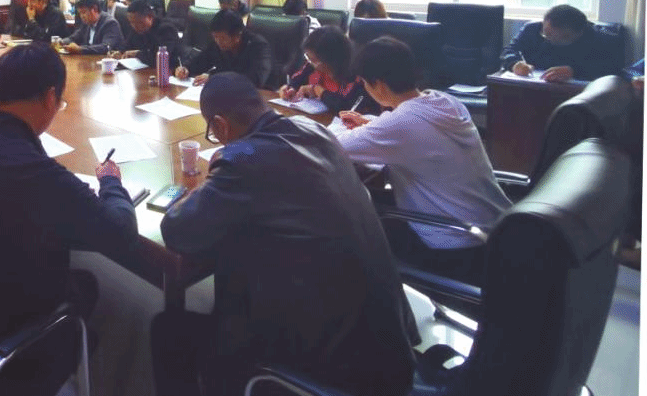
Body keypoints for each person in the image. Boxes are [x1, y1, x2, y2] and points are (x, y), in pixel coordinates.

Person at [151, 72, 416, 396]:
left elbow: (177, 231)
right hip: (391, 347)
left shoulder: (243, 160)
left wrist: (210, 179)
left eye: (213, 132)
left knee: (168, 331)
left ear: (220, 125)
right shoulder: (316, 130)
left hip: (341, 373)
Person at [0, 43, 138, 389]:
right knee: (87, 286)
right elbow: (121, 232)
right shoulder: (32, 171)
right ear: (50, 97)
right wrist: (110, 181)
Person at [333, 37, 509, 285]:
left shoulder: (401, 124)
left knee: (347, 218)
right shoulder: (445, 101)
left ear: (378, 84)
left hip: (453, 245)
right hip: (494, 231)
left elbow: (333, 145)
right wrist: (372, 124)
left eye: (364, 83)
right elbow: (414, 133)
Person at [501, 4, 622, 83]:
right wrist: (514, 63)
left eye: (555, 37)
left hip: (575, 95)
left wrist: (574, 71)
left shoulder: (600, 38)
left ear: (578, 33)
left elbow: (612, 70)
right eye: (546, 33)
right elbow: (509, 50)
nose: (547, 39)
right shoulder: (532, 29)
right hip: (533, 87)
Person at [279, 26, 379, 113]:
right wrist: (290, 88)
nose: (310, 62)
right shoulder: (312, 65)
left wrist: (319, 91)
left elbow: (348, 106)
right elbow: (297, 80)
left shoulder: (357, 75)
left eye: (313, 60)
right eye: (308, 58)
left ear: (331, 60)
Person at [175, 9, 271, 88]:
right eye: (215, 37)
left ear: (237, 36)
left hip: (262, 96)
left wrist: (215, 78)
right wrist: (186, 69)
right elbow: (201, 61)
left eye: (222, 39)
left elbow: (254, 80)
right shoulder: (218, 42)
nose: (218, 41)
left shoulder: (258, 46)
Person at [111, 0, 183, 69]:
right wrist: (120, 52)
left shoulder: (166, 29)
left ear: (150, 17)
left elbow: (158, 58)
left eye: (139, 22)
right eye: (131, 22)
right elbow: (127, 45)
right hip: (142, 71)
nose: (134, 26)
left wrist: (137, 54)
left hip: (167, 71)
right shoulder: (136, 28)